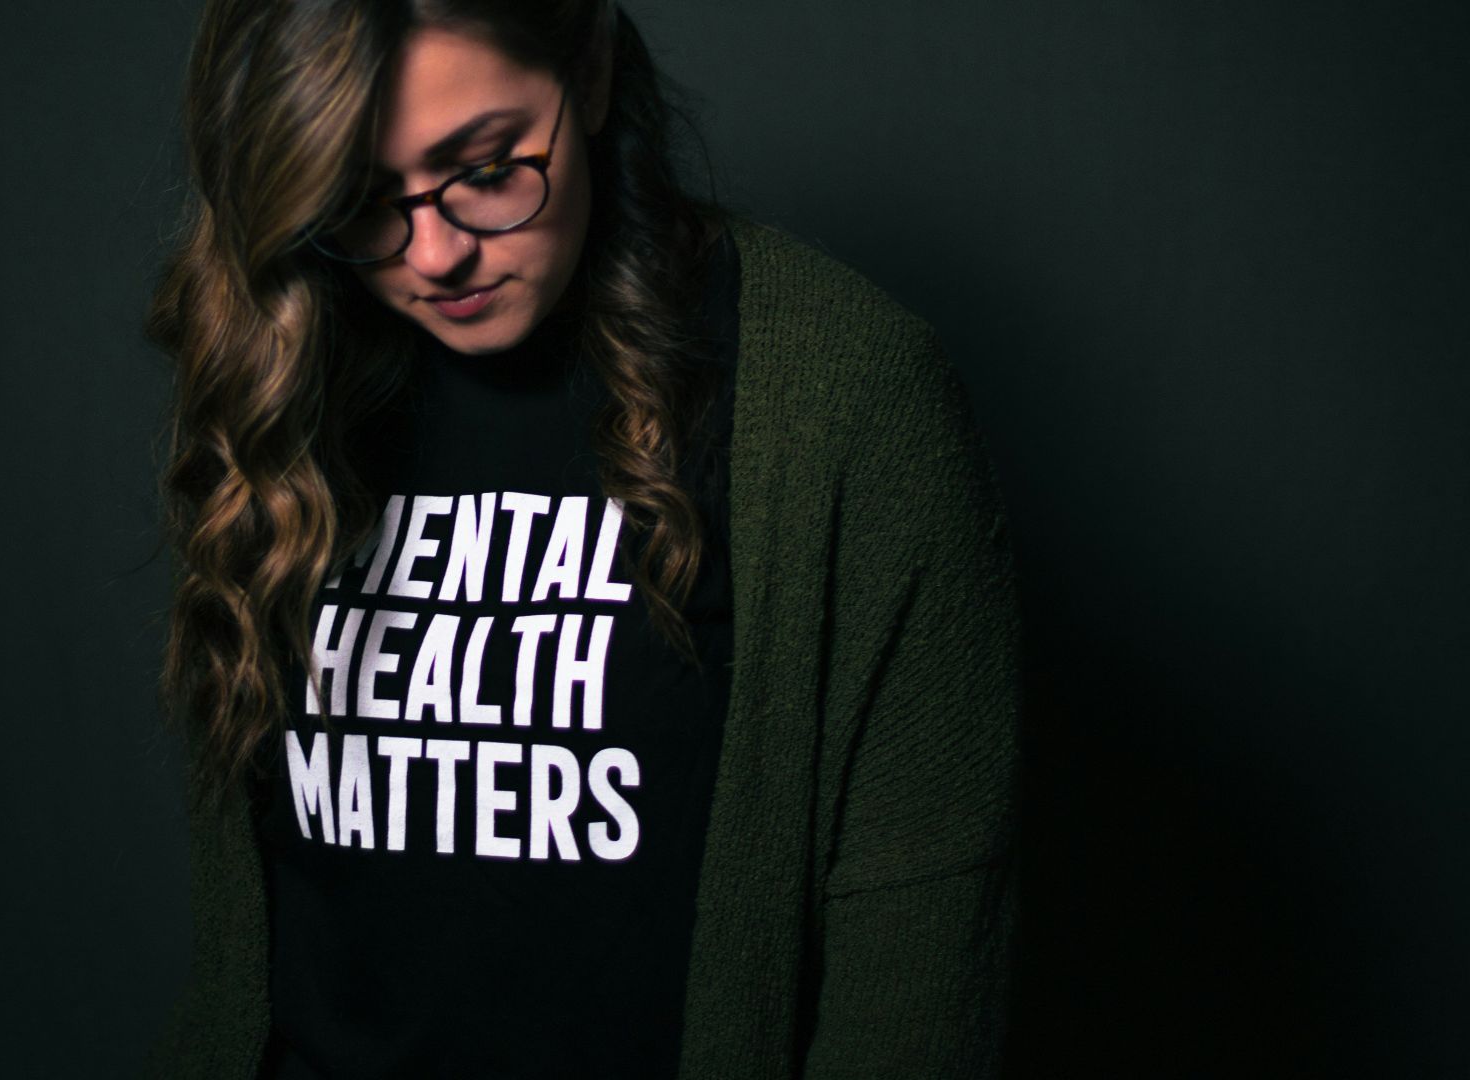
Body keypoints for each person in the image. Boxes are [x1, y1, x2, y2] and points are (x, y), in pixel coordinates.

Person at [144, 2, 1021, 1077]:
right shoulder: (279, 372)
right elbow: (258, 963)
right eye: (361, 199)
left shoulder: (845, 401)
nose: (434, 254)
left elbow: (916, 976)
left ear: (592, 70)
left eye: (486, 167)